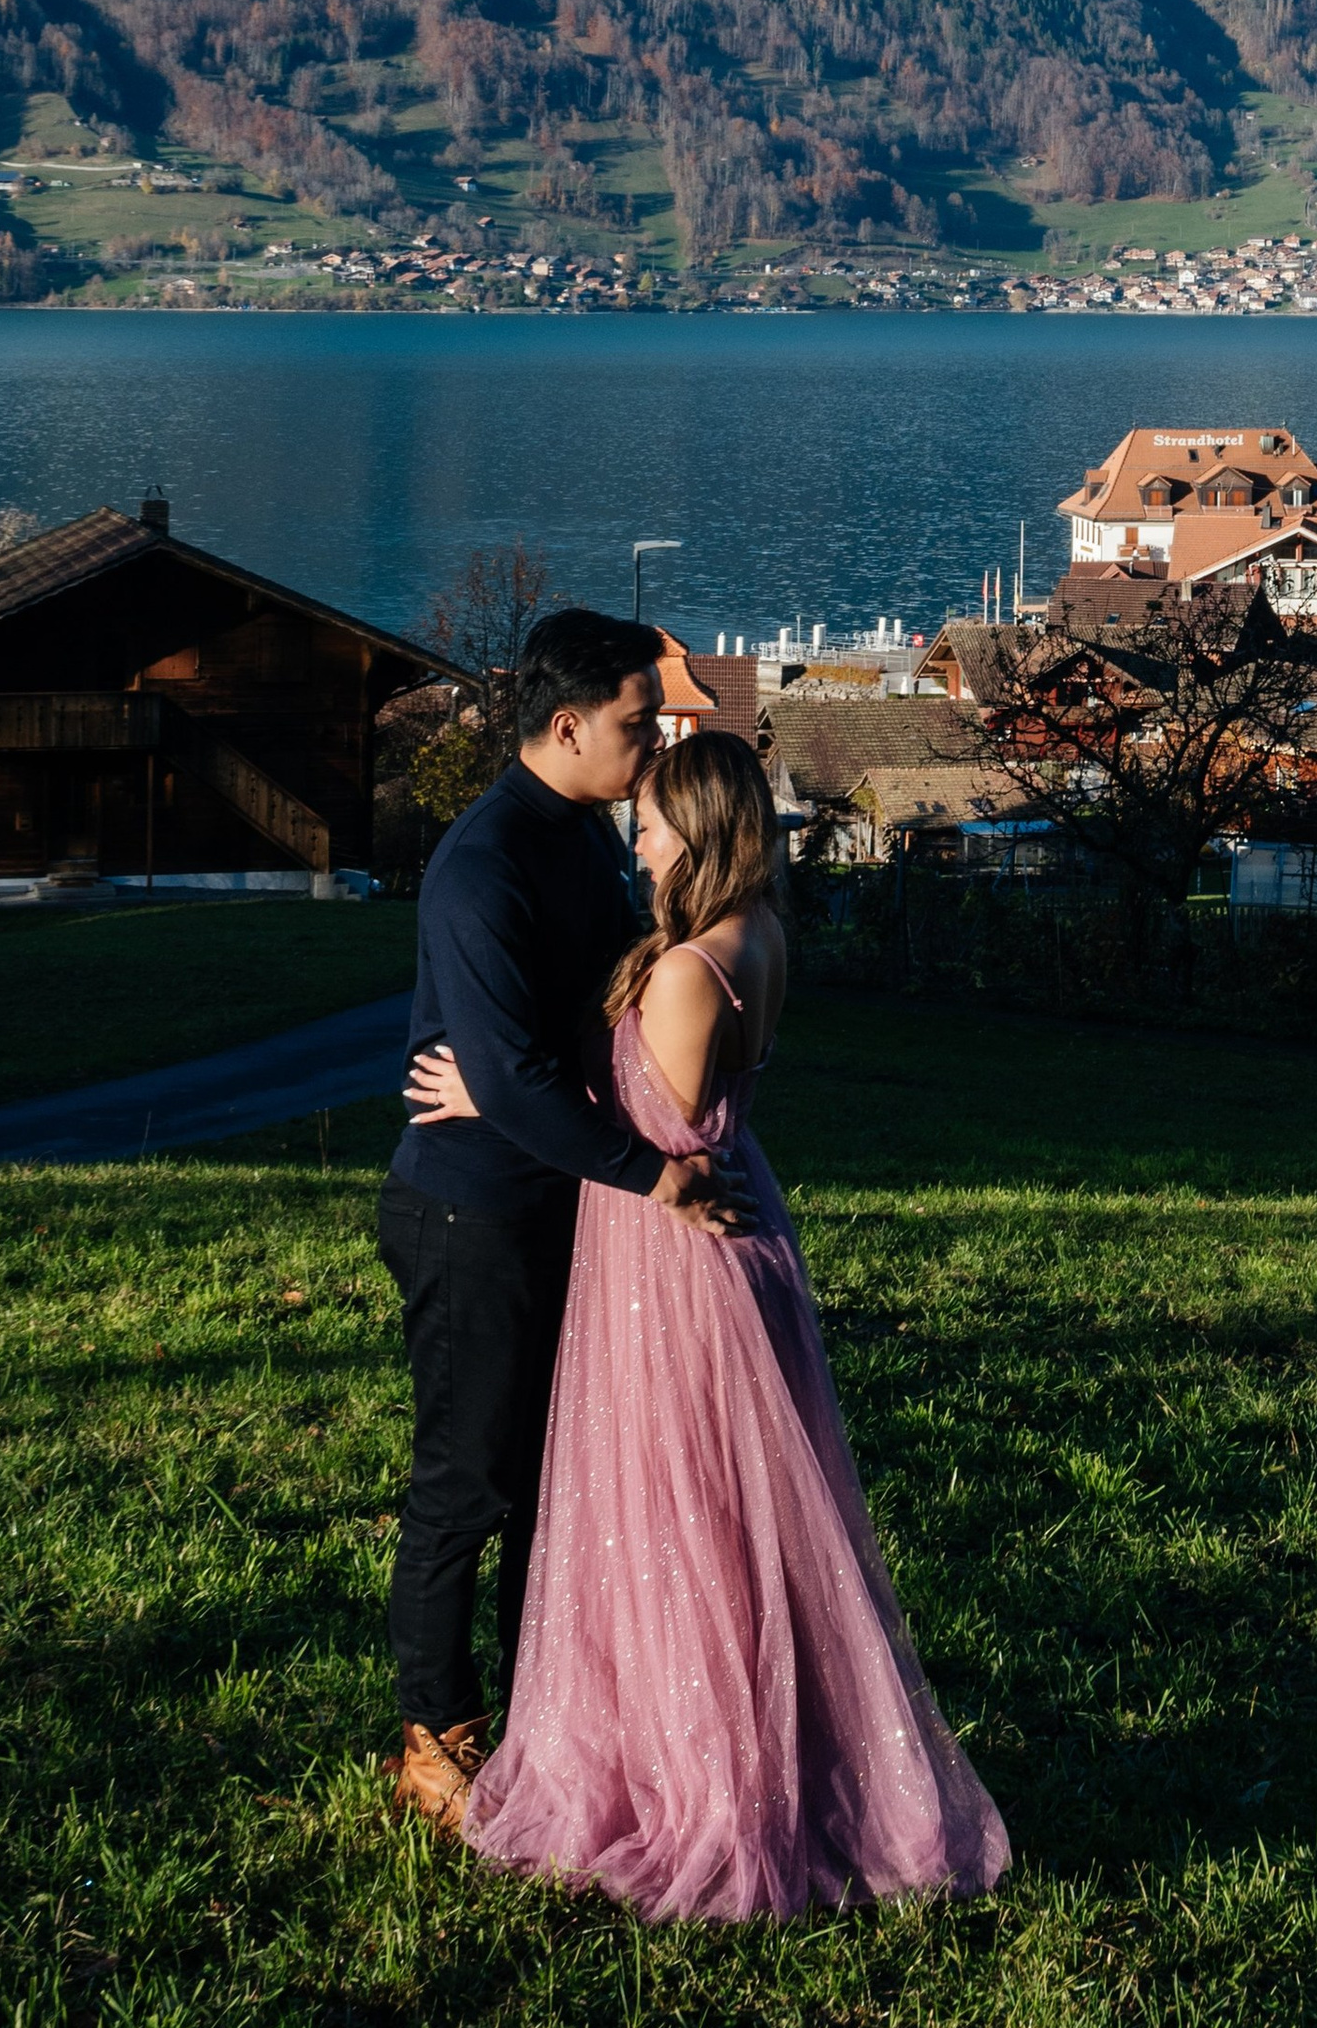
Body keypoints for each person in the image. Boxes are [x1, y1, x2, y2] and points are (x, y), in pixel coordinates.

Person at [406, 727, 1011, 1923]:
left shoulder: (689, 969)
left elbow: (654, 1120)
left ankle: (706, 1778)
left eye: (654, 821)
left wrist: (496, 1090)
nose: (637, 839)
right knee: (725, 1505)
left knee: (684, 1509)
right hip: (721, 1226)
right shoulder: (761, 936)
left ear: (698, 829)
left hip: (672, 1252)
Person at [378, 606, 745, 1835]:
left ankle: (557, 1718)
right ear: (567, 724)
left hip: (563, 1203)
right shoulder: (483, 864)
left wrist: (536, 1090)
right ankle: (436, 1736)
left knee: (557, 1481)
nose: (653, 747)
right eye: (639, 727)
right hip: (472, 1213)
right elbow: (513, 1070)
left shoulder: (581, 840)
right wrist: (652, 1175)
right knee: (468, 1482)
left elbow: (582, 1033)